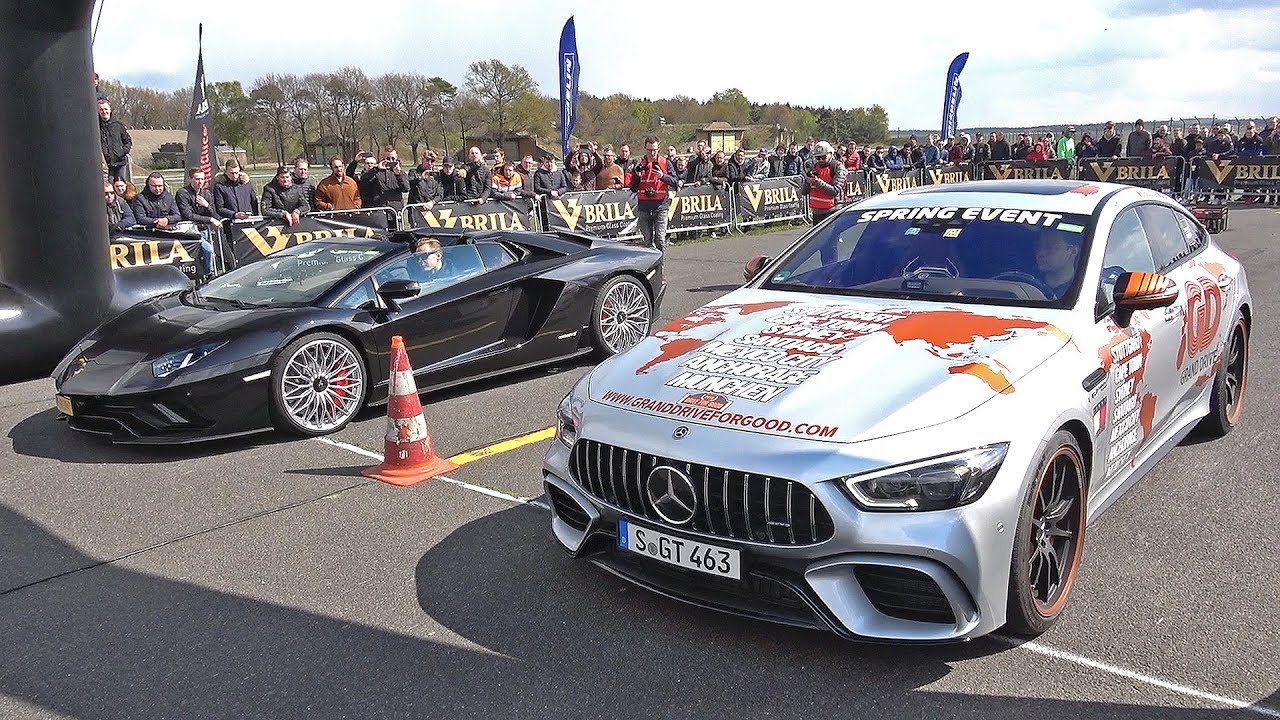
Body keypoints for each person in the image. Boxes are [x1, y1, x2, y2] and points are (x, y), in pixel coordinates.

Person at [627, 135, 681, 251]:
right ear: (645, 149)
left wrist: (662, 176)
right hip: (644, 207)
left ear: (659, 148)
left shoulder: (665, 163)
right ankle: (650, 267)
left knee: (660, 239)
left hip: (660, 206)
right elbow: (633, 188)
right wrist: (637, 176)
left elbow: (675, 181)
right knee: (647, 242)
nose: (652, 153)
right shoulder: (639, 164)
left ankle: (660, 267)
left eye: (654, 150)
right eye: (649, 150)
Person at [175, 167, 221, 279]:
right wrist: (209, 220)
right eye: (197, 179)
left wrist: (207, 206)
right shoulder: (182, 193)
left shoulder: (206, 193)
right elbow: (188, 215)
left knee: (210, 252)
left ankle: (208, 274)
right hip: (190, 231)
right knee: (208, 250)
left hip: (204, 230)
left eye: (202, 179)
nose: (200, 182)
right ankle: (209, 275)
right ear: (190, 179)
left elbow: (214, 214)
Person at [802, 141, 846, 229]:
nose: (820, 160)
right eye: (818, 158)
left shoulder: (838, 167)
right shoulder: (814, 167)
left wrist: (816, 182)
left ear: (830, 154)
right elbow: (804, 191)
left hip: (833, 211)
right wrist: (807, 181)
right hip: (816, 212)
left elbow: (835, 190)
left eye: (823, 157)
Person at [360, 146, 410, 212]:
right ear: (384, 158)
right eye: (388, 158)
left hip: (395, 210)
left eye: (393, 158)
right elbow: (363, 180)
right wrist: (377, 169)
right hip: (380, 210)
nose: (391, 161)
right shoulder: (376, 172)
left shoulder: (401, 173)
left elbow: (406, 189)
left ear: (397, 158)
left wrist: (399, 174)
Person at [1033, 232, 1081, 299]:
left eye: (1050, 248)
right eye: (1038, 247)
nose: (1041, 253)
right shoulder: (1028, 282)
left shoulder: (1083, 289)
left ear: (1073, 251)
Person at [98, 99, 132, 183]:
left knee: (121, 186)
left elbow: (128, 141)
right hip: (107, 164)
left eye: (105, 109)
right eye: (101, 109)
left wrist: (122, 152)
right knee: (110, 187)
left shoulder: (118, 125)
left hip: (120, 162)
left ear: (110, 110)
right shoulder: (96, 126)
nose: (104, 111)